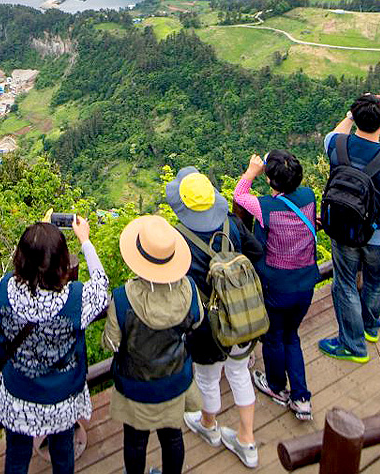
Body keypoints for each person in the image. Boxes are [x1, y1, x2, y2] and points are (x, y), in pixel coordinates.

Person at [0, 216, 108, 474]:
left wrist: (38, 239)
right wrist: (85, 240)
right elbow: (102, 286)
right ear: (62, 262)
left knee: (17, 457)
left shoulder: (6, 289)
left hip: (18, 394)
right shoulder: (76, 300)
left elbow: (21, 273)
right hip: (61, 400)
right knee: (63, 451)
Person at [165, 167, 262, 470]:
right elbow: (256, 252)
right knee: (238, 373)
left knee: (208, 378)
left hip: (205, 324)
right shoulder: (232, 224)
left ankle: (209, 425)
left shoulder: (178, 237)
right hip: (241, 315)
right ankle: (247, 441)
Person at [103, 214, 201, 474]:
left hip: (136, 386)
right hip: (175, 380)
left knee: (135, 440)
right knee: (172, 436)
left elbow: (111, 343)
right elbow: (197, 322)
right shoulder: (188, 289)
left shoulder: (123, 299)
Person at [319, 94, 380, 363]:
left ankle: (352, 345)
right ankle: (370, 329)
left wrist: (350, 115)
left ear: (355, 116)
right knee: (375, 282)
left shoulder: (336, 145)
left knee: (345, 283)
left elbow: (333, 134)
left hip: (344, 229)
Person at [234, 151, 319, 420]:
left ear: (271, 181)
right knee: (291, 336)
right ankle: (302, 398)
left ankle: (276, 387)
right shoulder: (308, 196)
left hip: (276, 287)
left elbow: (239, 195)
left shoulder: (265, 207)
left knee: (273, 337)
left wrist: (251, 171)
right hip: (305, 284)